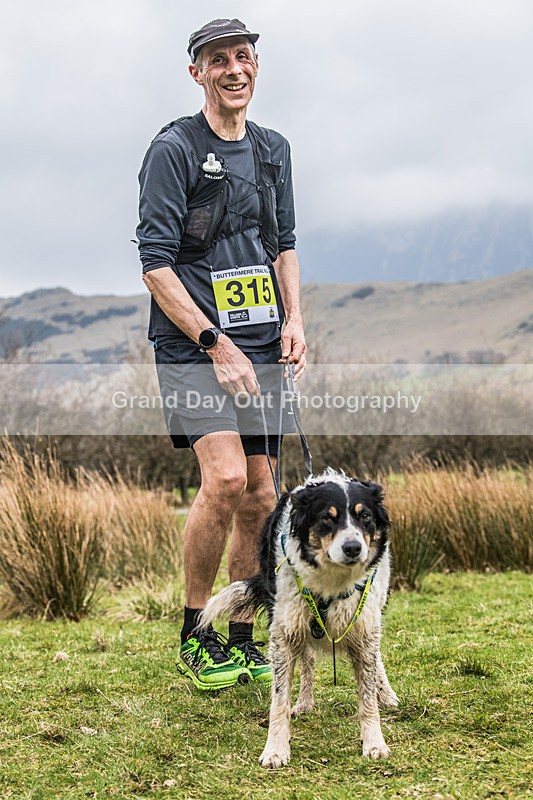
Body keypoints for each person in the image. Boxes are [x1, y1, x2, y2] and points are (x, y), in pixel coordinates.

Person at [136, 18, 306, 691]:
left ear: (255, 66)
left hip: (262, 339)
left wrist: (294, 319)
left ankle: (240, 635)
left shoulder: (272, 150)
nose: (234, 69)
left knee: (263, 493)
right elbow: (154, 264)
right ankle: (195, 634)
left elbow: (284, 242)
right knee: (227, 480)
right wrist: (214, 342)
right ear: (196, 73)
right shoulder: (174, 148)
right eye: (218, 61)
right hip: (192, 343)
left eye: (244, 56)